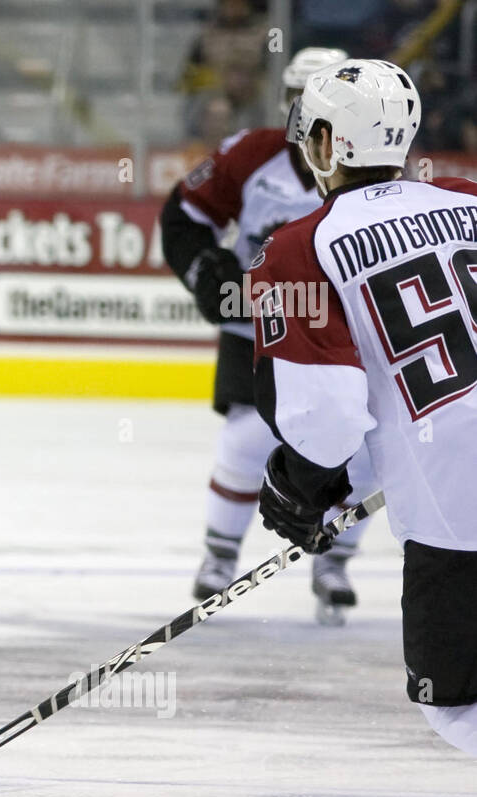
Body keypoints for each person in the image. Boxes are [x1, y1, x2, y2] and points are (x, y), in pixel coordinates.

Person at [253, 58, 477, 757]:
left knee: (459, 706)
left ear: (326, 144)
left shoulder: (299, 248)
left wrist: (297, 488)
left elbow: (324, 418)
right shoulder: (471, 200)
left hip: (457, 517)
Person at [161, 46, 377, 625]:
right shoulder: (251, 155)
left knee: (359, 450)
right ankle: (220, 555)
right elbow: (183, 217)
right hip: (254, 328)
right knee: (244, 439)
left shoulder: (374, 171)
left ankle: (332, 559)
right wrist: (206, 269)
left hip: (338, 336)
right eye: (297, 101)